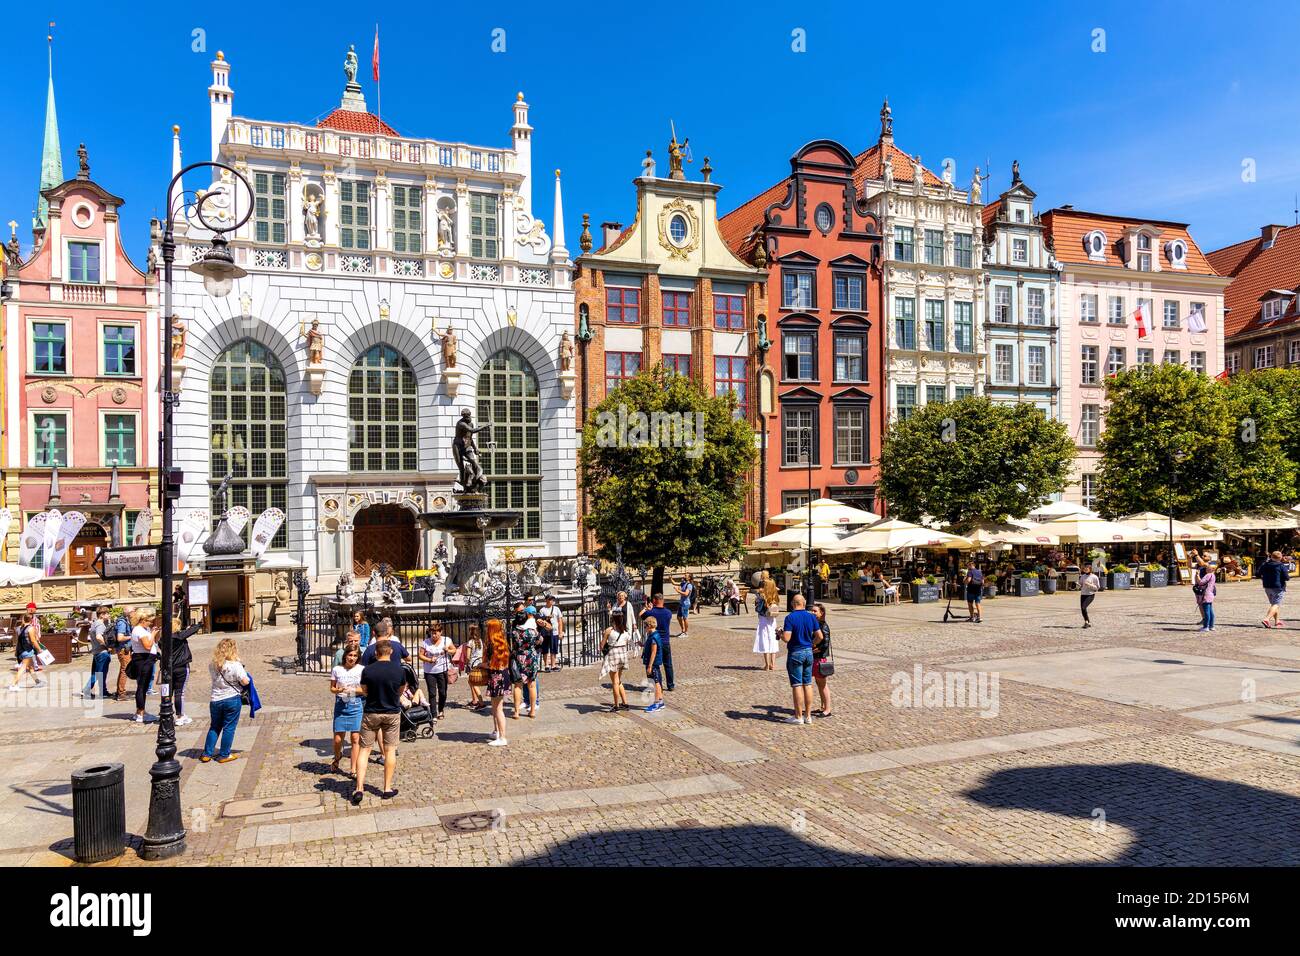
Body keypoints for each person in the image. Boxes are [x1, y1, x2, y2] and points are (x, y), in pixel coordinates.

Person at [351, 641, 405, 803]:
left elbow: (364, 690)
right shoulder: (399, 670)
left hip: (371, 712)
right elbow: (400, 691)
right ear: (391, 652)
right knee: (389, 751)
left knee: (364, 750)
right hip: (391, 713)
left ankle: (359, 788)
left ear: (376, 653)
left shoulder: (367, 670)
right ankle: (387, 788)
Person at [202, 638, 248, 763]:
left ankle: (207, 753)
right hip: (232, 698)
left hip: (215, 699)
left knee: (214, 727)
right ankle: (224, 754)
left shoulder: (212, 664)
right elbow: (245, 681)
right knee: (229, 727)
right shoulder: (235, 665)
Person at [780, 594, 819, 724]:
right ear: (804, 603)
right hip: (808, 652)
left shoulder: (790, 618)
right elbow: (819, 636)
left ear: (793, 604)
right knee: (807, 684)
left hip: (796, 652)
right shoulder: (811, 616)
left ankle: (798, 716)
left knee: (797, 684)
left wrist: (780, 633)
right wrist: (812, 644)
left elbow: (787, 638)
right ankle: (808, 716)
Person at [329, 644, 364, 774]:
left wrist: (354, 690)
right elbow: (332, 688)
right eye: (350, 655)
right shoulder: (337, 669)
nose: (352, 658)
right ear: (345, 656)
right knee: (338, 738)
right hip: (341, 705)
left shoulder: (361, 669)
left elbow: (365, 690)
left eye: (355, 656)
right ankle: (337, 757)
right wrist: (338, 690)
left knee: (355, 738)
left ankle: (353, 768)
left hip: (355, 704)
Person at [418, 621, 455, 720]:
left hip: (442, 670)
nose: (434, 635)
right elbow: (420, 655)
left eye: (436, 632)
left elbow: (454, 650)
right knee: (432, 693)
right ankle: (433, 714)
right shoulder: (425, 642)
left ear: (441, 632)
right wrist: (429, 660)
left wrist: (448, 650)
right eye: (432, 633)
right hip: (429, 671)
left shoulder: (446, 640)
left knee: (443, 692)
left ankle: (441, 710)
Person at [510, 606, 542, 719]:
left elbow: (513, 645)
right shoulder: (532, 631)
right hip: (531, 657)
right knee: (531, 685)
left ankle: (516, 712)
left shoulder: (514, 632)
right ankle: (532, 711)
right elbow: (540, 640)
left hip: (519, 657)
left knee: (518, 685)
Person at [129, 609, 160, 723]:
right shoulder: (139, 630)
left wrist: (152, 633)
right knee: (142, 687)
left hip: (146, 659)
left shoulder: (143, 629)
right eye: (148, 621)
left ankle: (141, 711)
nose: (150, 623)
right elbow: (147, 646)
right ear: (142, 620)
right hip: (142, 660)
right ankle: (140, 713)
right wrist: (152, 634)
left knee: (144, 687)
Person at [484, 618, 511, 746]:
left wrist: (481, 664)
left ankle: (502, 737)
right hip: (503, 674)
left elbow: (490, 664)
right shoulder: (502, 641)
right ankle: (496, 731)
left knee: (498, 708)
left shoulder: (491, 644)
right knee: (495, 707)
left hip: (496, 676)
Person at [600, 609, 632, 711]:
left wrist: (604, 636)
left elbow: (601, 646)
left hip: (613, 656)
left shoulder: (609, 631)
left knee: (614, 682)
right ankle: (625, 703)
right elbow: (627, 643)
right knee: (618, 680)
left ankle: (616, 705)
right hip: (622, 656)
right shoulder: (625, 632)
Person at [8, 605, 46, 692]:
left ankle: (37, 681)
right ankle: (13, 684)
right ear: (31, 620)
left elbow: (18, 640)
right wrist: (39, 650)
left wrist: (15, 650)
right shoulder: (31, 628)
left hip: (20, 651)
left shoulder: (19, 628)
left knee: (31, 667)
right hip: (27, 651)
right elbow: (33, 641)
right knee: (23, 668)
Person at [641, 594, 675, 691]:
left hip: (654, 640)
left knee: (655, 664)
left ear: (654, 601)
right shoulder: (668, 613)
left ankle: (654, 685)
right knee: (668, 664)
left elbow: (641, 616)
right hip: (665, 641)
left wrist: (647, 608)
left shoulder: (651, 612)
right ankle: (670, 684)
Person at [79, 606, 113, 700]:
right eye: (107, 613)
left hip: (96, 652)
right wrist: (107, 646)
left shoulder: (94, 623)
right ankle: (86, 690)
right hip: (102, 652)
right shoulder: (100, 624)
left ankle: (103, 691)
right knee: (99, 673)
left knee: (97, 673)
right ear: (102, 615)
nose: (109, 615)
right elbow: (98, 637)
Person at [170, 615, 196, 726]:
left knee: (168, 692)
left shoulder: (163, 639)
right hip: (181, 667)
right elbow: (192, 631)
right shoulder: (179, 636)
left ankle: (166, 714)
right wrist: (198, 625)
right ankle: (180, 716)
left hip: (169, 668)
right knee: (179, 692)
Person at [752, 571, 779, 671]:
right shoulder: (774, 595)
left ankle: (767, 665)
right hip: (772, 619)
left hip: (763, 619)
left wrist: (757, 599)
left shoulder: (761, 596)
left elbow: (757, 609)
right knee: (773, 639)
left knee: (765, 640)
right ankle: (773, 664)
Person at [811, 602, 833, 718]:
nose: (813, 613)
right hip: (816, 658)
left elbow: (825, 644)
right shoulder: (817, 624)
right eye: (812, 611)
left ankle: (827, 709)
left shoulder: (823, 626)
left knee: (823, 685)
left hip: (820, 659)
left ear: (821, 613)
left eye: (815, 611)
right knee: (819, 684)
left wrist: (814, 649)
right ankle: (823, 706)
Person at [1260, 550, 1290, 629]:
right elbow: (1287, 577)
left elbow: (1257, 573)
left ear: (1271, 557)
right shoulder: (1281, 565)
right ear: (1280, 558)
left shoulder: (1265, 564)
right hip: (1278, 587)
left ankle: (1277, 621)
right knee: (1276, 604)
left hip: (1267, 586)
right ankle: (1266, 619)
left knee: (1274, 604)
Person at [641, 618, 665, 713]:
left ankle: (657, 703)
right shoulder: (653, 635)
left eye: (645, 626)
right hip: (653, 663)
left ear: (649, 626)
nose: (644, 628)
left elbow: (653, 652)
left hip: (653, 664)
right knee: (657, 681)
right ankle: (661, 701)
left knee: (656, 683)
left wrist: (650, 666)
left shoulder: (654, 637)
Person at [536, 594, 563, 673]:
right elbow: (539, 621)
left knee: (554, 648)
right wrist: (547, 617)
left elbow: (560, 621)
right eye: (550, 599)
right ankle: (546, 665)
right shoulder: (542, 610)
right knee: (545, 649)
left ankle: (553, 665)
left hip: (554, 631)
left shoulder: (556, 609)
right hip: (545, 632)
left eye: (552, 599)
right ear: (546, 600)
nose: (552, 601)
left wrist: (560, 632)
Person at [464, 624, 487, 710]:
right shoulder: (481, 641)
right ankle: (474, 701)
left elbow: (468, 656)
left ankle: (481, 703)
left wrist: (466, 664)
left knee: (473, 683)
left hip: (473, 664)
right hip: (480, 663)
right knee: (471, 682)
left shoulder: (470, 642)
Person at [111, 607, 132, 700]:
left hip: (124, 649)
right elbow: (120, 638)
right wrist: (131, 636)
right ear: (129, 612)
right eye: (133, 611)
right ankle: (121, 693)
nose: (134, 613)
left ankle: (119, 691)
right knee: (125, 670)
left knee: (123, 670)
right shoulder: (122, 623)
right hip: (123, 649)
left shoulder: (125, 621)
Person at [1194, 560, 1218, 633]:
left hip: (1206, 595)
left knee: (1206, 612)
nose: (1206, 569)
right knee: (1211, 611)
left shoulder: (1208, 575)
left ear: (1212, 569)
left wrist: (1197, 575)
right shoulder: (1213, 576)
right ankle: (1211, 626)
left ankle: (1206, 627)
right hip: (1211, 594)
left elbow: (1201, 583)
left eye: (1208, 568)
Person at [1079, 564, 1100, 629]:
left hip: (1090, 595)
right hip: (1083, 594)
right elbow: (1081, 585)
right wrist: (1078, 585)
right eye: (1084, 568)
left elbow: (1097, 587)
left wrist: (1090, 585)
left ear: (1090, 569)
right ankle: (1087, 622)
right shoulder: (1082, 576)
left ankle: (1087, 622)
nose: (1085, 569)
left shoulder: (1094, 577)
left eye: (1087, 568)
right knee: (1082, 609)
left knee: (1083, 607)